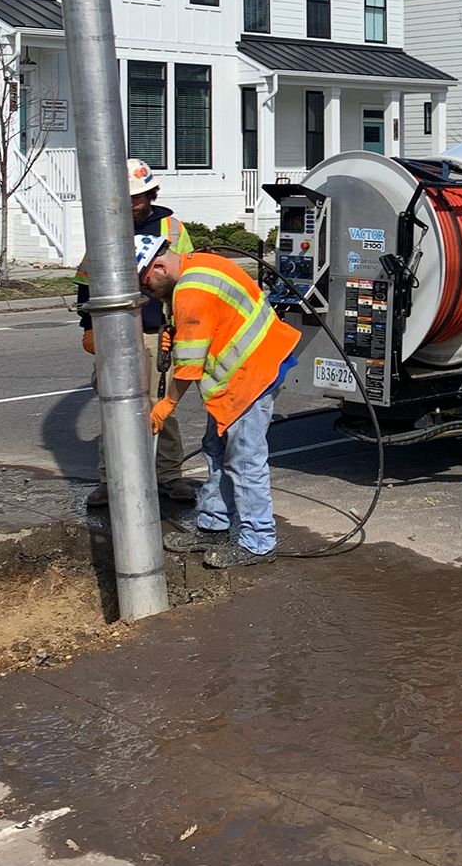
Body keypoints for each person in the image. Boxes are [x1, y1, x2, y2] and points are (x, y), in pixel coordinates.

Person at [135, 234, 300, 568]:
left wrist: (166, 405)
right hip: (247, 369)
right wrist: (178, 329)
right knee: (214, 448)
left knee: (243, 460)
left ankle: (258, 542)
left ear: (161, 265)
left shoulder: (192, 292)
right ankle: (213, 526)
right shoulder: (199, 264)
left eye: (146, 282)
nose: (146, 290)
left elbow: (190, 367)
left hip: (251, 376)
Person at [78, 159, 194, 506]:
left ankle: (169, 476)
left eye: (138, 197)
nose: (132, 204)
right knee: (114, 407)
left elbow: (187, 280)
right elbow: (86, 280)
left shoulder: (172, 229)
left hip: (157, 331)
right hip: (114, 333)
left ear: (150, 194)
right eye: (125, 197)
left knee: (161, 407)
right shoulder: (105, 228)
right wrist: (88, 327)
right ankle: (109, 479)